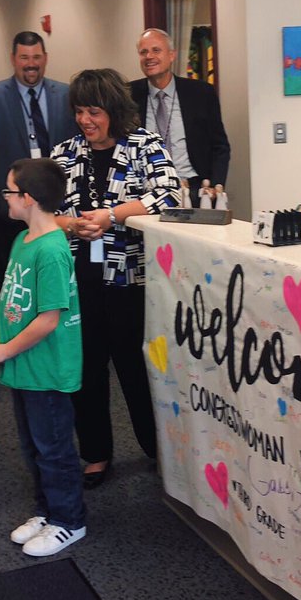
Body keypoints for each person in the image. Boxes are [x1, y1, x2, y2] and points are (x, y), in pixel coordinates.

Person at [51, 68, 180, 487]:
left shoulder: (144, 145)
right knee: (87, 372)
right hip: (79, 282)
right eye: (79, 111)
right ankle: (95, 454)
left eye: (94, 112)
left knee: (136, 369)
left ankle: (156, 448)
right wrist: (73, 225)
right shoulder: (64, 153)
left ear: (113, 109)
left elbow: (169, 195)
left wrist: (113, 215)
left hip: (130, 280)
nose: (85, 120)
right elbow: (45, 214)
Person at [0, 158, 86, 557]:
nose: (3, 197)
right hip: (23, 366)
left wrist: (3, 350)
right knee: (33, 447)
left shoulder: (52, 250)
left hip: (46, 370)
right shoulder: (23, 241)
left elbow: (49, 320)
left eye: (8, 190)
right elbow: (6, 300)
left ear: (28, 198)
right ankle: (47, 511)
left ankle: (69, 521)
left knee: (54, 449)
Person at [0, 31, 77, 284]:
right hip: (9, 207)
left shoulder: (65, 95)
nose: (31, 64)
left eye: (36, 57)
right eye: (24, 57)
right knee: (12, 276)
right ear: (13, 59)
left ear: (46, 58)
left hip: (55, 205)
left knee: (54, 273)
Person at [130, 28, 230, 207]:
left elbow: (220, 146)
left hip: (193, 189)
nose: (149, 56)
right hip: (145, 193)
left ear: (172, 55)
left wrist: (216, 185)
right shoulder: (128, 95)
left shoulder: (201, 93)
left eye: (156, 50)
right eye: (143, 52)